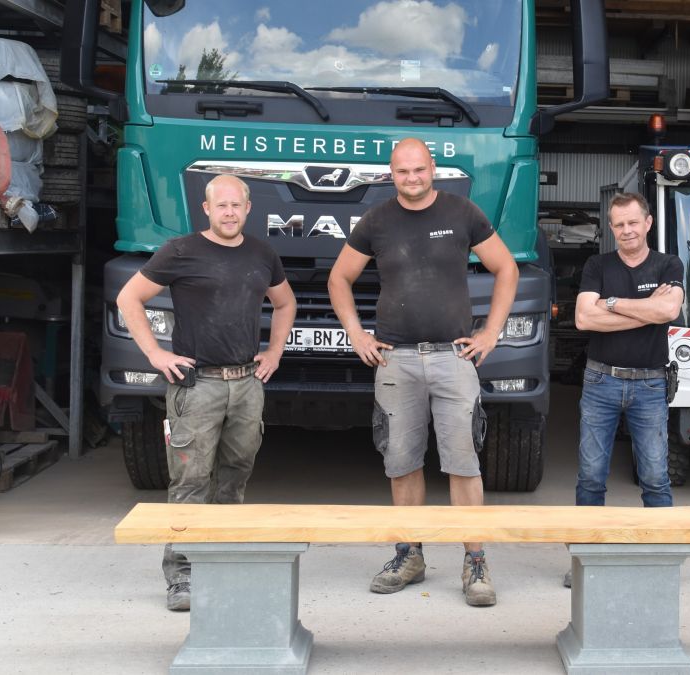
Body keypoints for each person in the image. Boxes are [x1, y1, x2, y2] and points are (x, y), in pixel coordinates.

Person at [328, 138, 518, 607]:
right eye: (402, 171)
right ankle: (409, 554)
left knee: (463, 462)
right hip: (397, 360)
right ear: (390, 174)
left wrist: (491, 332)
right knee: (401, 461)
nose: (411, 178)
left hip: (455, 358)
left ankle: (475, 561)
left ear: (432, 168)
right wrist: (356, 334)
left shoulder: (462, 212)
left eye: (418, 169)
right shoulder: (376, 221)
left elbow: (506, 268)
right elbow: (339, 278)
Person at [116, 174, 296, 611]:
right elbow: (128, 298)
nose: (229, 213)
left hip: (247, 384)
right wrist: (155, 353)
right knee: (190, 482)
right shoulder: (180, 251)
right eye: (222, 205)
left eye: (236, 205)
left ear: (248, 208)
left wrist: (274, 351)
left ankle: (221, 564)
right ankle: (182, 576)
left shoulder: (262, 254)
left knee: (235, 478)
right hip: (197, 387)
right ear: (207, 209)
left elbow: (285, 302)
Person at [566, 192, 683, 585]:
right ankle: (585, 563)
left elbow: (669, 310)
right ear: (611, 227)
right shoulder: (597, 265)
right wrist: (645, 310)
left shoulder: (669, 264)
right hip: (600, 381)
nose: (627, 230)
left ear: (648, 223)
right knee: (590, 476)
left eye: (633, 222)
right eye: (619, 224)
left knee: (655, 476)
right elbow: (584, 319)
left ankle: (661, 564)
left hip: (650, 383)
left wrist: (612, 303)